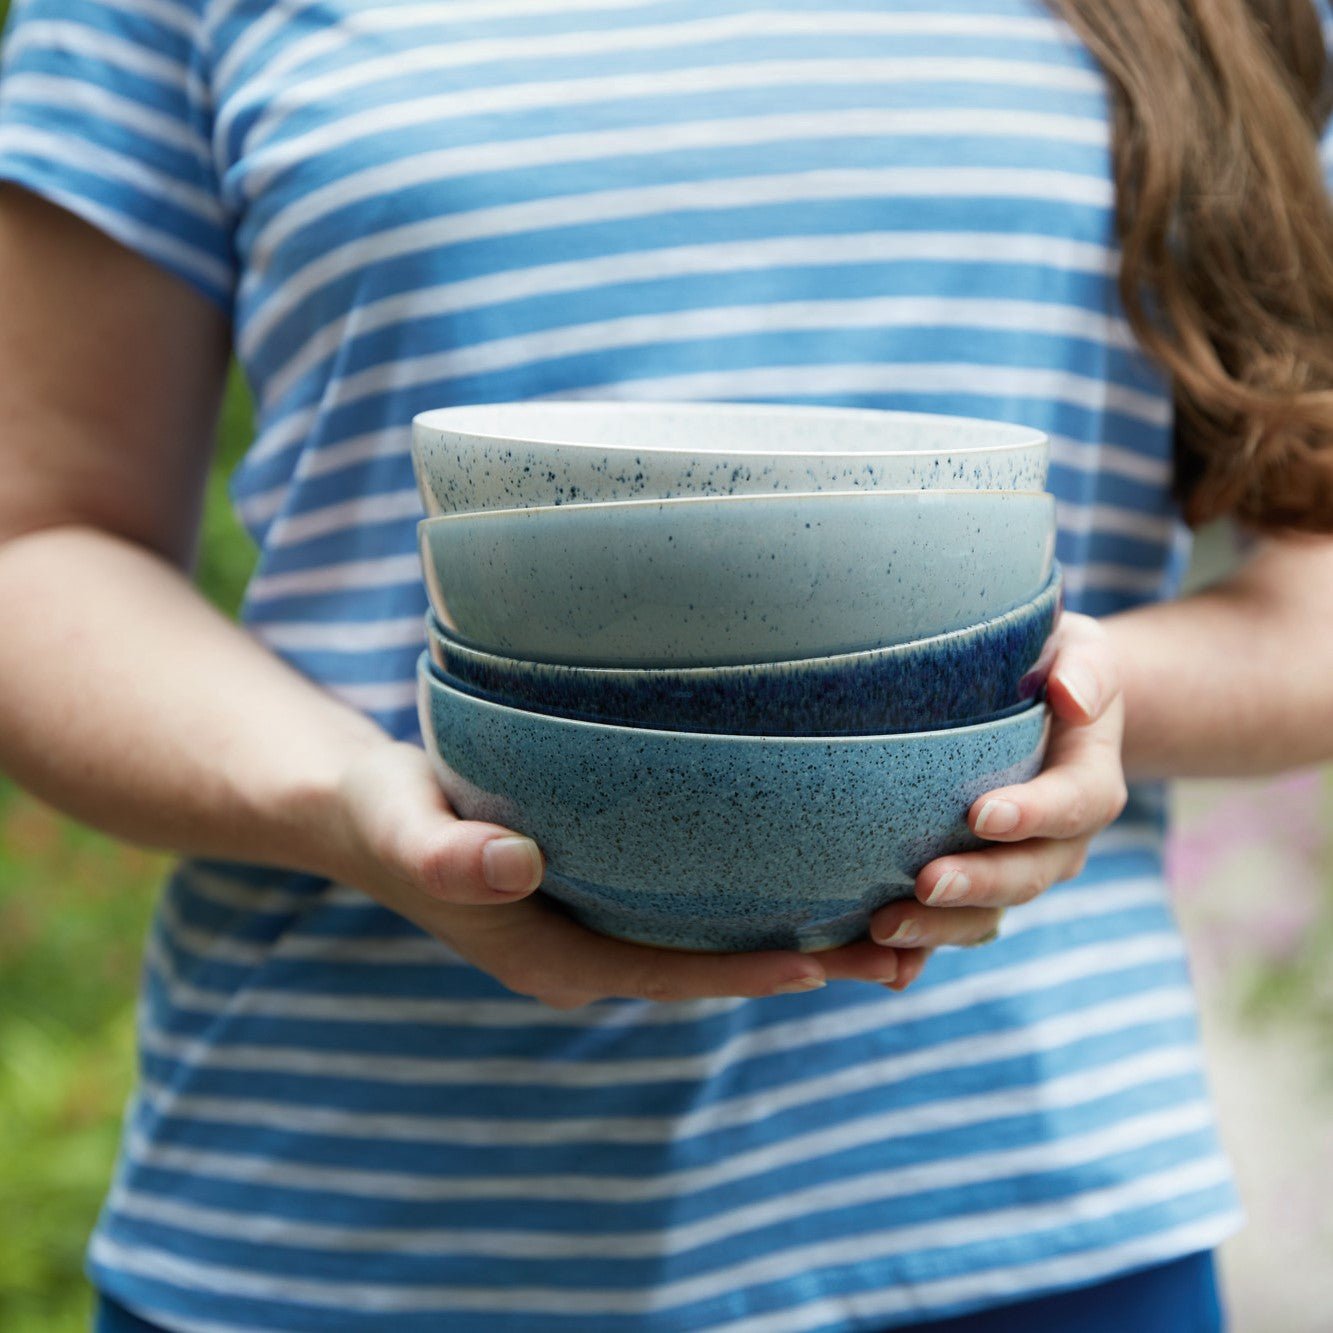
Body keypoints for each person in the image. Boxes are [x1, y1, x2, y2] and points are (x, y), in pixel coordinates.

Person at [0, 0, 1330, 1329]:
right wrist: (344, 799)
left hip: (1027, 1223)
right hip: (345, 1236)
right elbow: (37, 539)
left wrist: (1062, 709)